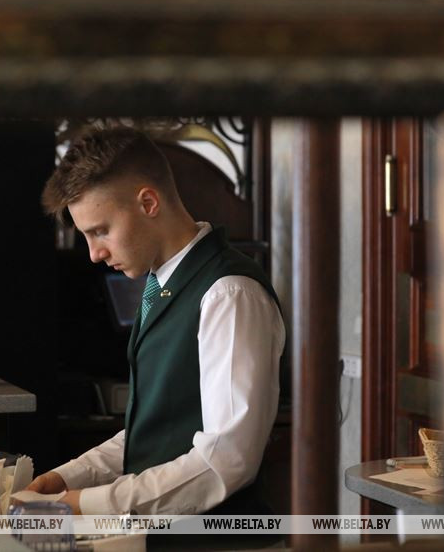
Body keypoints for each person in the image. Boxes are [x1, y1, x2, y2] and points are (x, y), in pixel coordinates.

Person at [28, 126, 286, 519]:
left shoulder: (229, 292)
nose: (94, 254)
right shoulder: (162, 284)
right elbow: (155, 431)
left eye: (101, 231)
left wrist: (86, 505)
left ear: (148, 202)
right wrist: (67, 477)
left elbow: (226, 460)